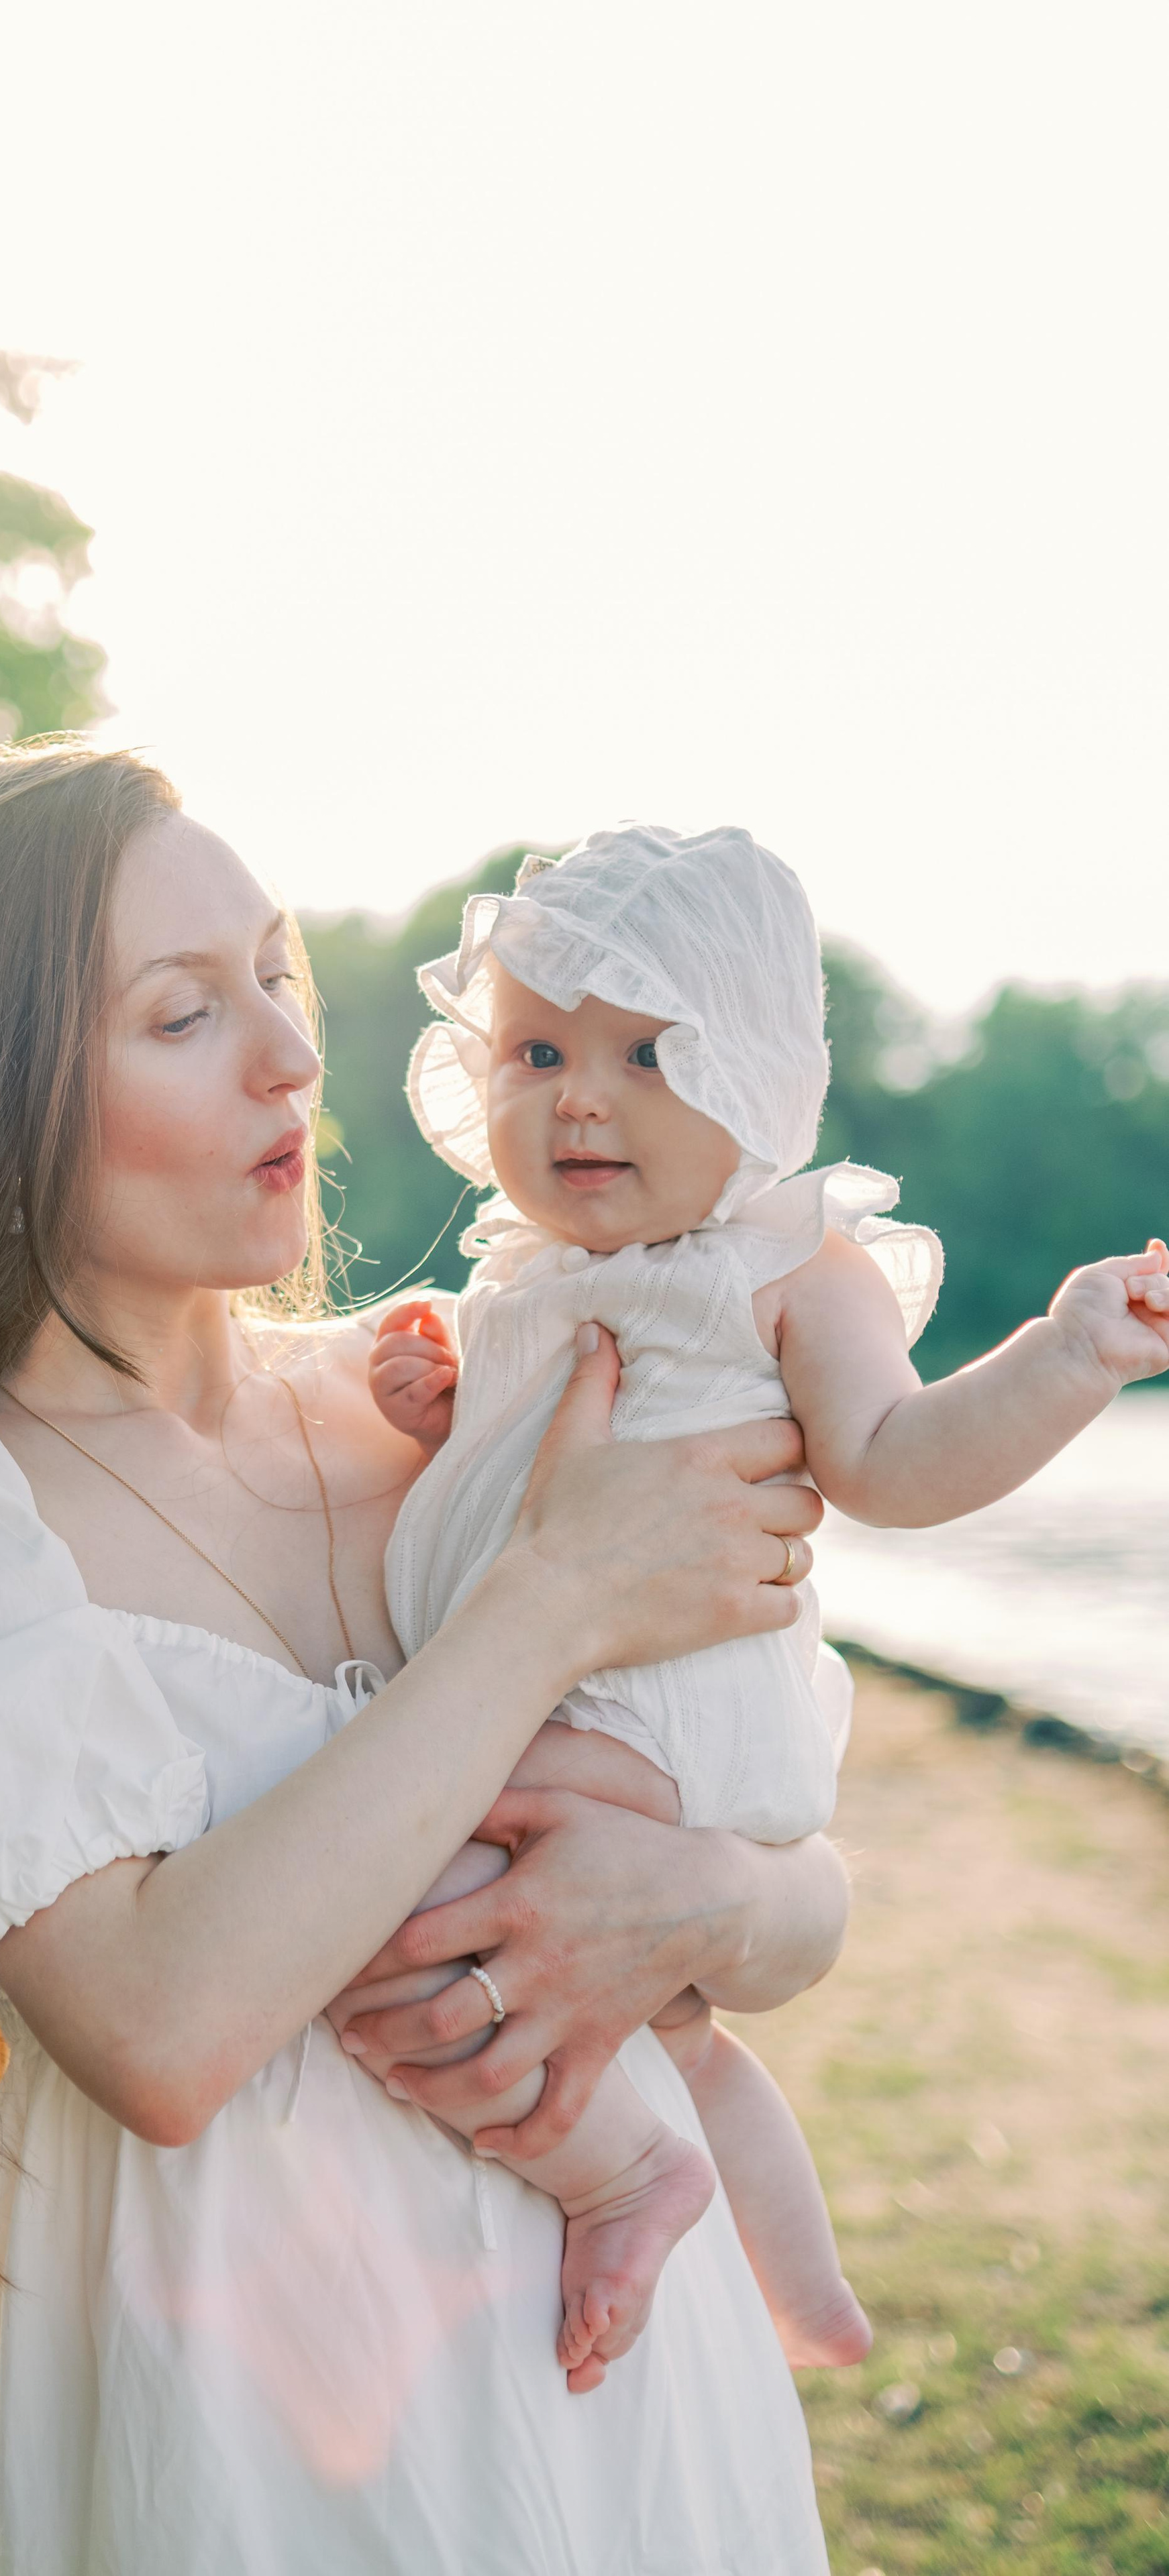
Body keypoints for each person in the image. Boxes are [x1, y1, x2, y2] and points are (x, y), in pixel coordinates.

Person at [0, 744, 848, 2576]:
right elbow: (160, 2032)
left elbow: (802, 1869)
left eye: (276, 977)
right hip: (241, 2439)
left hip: (632, 2385)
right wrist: (546, 1609)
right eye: (185, 1013)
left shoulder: (444, 1402)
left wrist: (709, 1902)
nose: (288, 1057)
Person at [358, 822, 1169, 2395]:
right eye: (534, 1050)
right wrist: (438, 1407)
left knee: (406, 1908)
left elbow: (893, 1461)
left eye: (646, 1054)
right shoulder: (522, 1278)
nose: (577, 1095)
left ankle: (624, 2182)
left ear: (757, 1080)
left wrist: (1068, 1353)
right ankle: (798, 2290)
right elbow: (516, 1482)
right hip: (556, 1699)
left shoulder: (789, 1265)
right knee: (664, 2028)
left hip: (649, 1714)